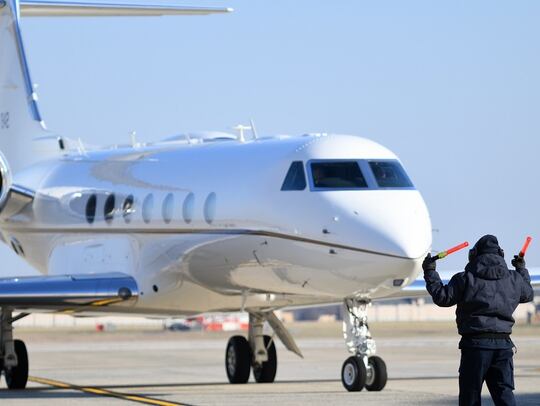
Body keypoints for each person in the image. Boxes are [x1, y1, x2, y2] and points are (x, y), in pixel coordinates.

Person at [423, 235, 534, 406]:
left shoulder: (464, 278)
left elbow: (442, 297)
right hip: (503, 346)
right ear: (501, 255)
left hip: (475, 346)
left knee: (470, 396)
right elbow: (527, 294)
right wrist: (521, 269)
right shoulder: (514, 278)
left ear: (474, 255)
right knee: (504, 395)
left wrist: (430, 271)